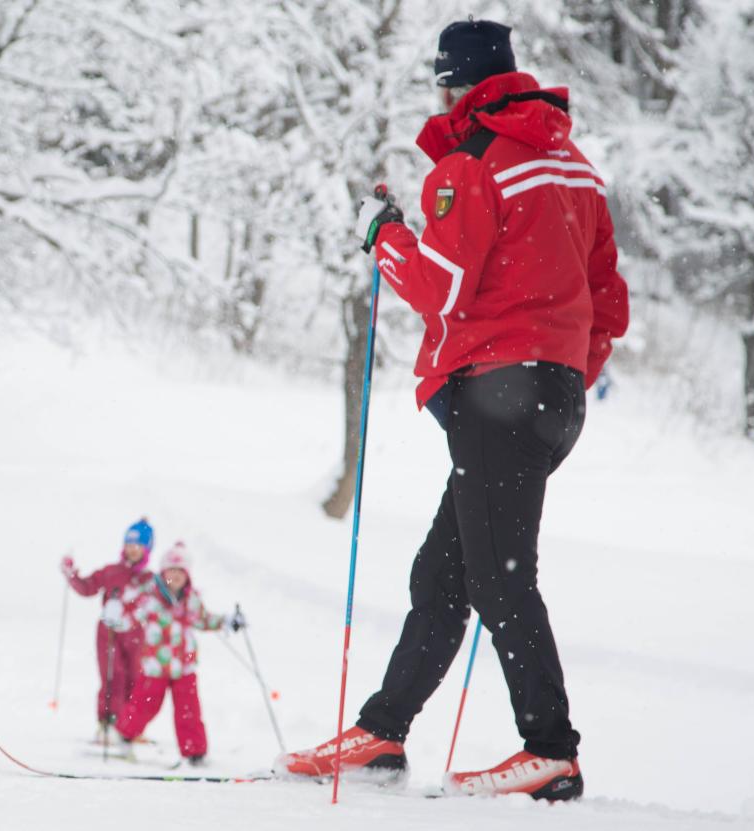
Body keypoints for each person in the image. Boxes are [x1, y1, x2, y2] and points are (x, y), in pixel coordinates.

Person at [282, 19, 629, 802]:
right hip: (550, 396)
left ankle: (549, 749)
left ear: (453, 85)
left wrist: (384, 235)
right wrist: (562, 374)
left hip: (498, 392)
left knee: (501, 577)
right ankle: (381, 731)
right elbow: (609, 300)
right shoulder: (574, 168)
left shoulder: (472, 165)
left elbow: (437, 284)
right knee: (446, 574)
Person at [108, 542, 240, 767]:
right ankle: (124, 734)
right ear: (163, 572)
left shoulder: (191, 599)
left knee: (189, 711)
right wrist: (115, 615)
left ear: (187, 575)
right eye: (171, 570)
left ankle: (195, 753)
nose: (176, 576)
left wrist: (227, 621)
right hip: (155, 666)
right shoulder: (149, 595)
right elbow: (129, 617)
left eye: (181, 572)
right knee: (144, 706)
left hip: (184, 666)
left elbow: (203, 620)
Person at [61, 518, 154, 736]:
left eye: (138, 545)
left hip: (136, 634)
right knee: (113, 676)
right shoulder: (112, 571)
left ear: (147, 549)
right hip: (109, 633)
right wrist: (71, 575)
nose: (132, 550)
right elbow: (87, 588)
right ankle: (108, 724)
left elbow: (154, 605)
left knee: (135, 678)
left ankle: (129, 730)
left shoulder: (149, 579)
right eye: (129, 545)